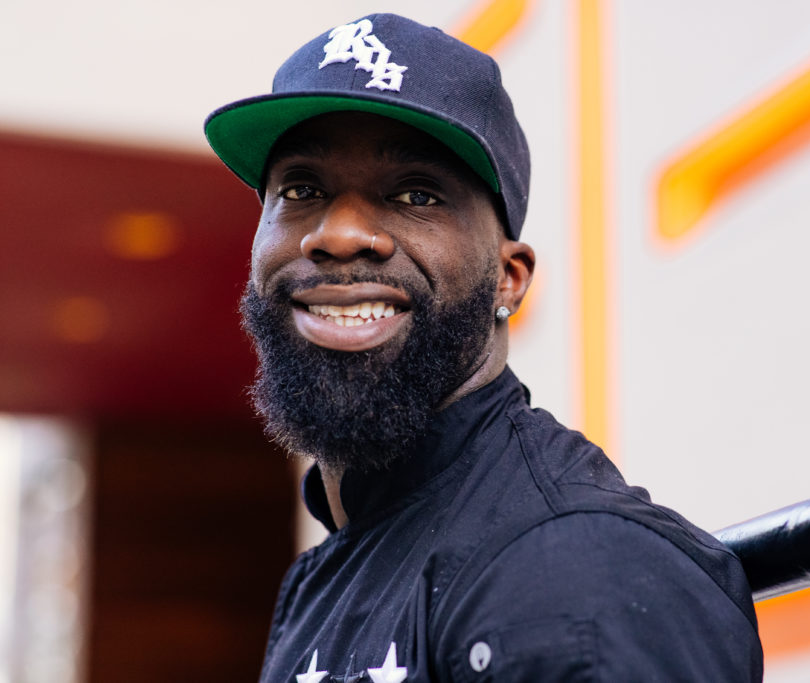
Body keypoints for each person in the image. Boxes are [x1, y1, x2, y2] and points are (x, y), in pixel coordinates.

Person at [205, 13, 762, 682]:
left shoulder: (578, 566)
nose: (341, 231)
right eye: (302, 189)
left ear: (509, 276)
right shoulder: (326, 573)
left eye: (415, 192)